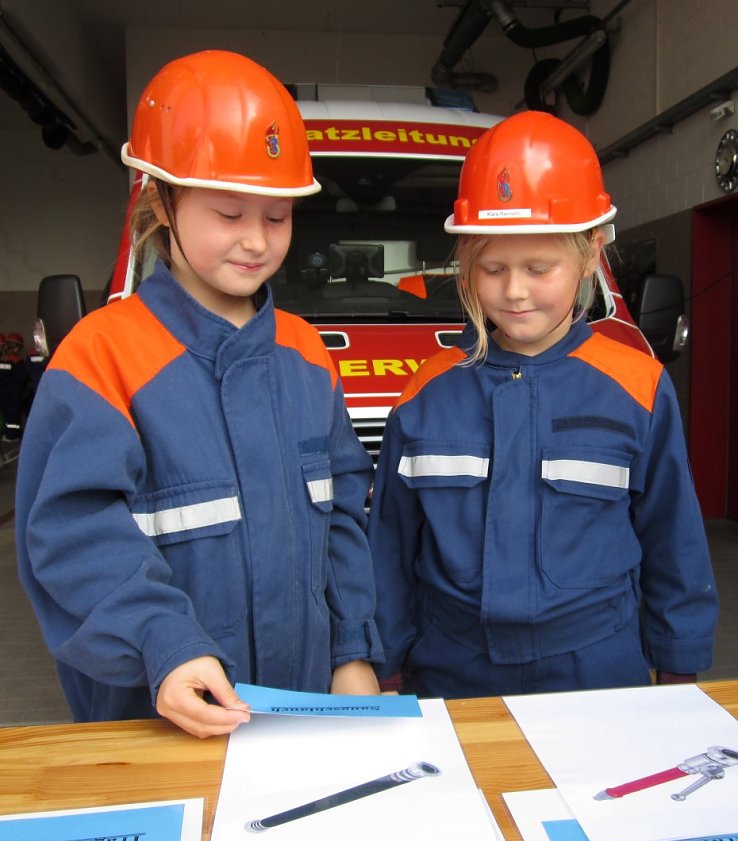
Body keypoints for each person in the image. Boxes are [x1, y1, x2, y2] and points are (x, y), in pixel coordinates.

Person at [15, 50, 383, 738]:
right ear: (159, 201)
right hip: (156, 714)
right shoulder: (103, 357)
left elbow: (341, 522)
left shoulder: (306, 355)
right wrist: (164, 642)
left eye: (277, 217)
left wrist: (351, 648)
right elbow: (70, 537)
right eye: (229, 212)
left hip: (299, 711)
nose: (255, 240)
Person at [368, 111, 718, 699]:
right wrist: (383, 662)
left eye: (539, 267)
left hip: (597, 671)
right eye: (493, 268)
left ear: (590, 253)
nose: (515, 291)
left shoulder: (638, 386)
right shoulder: (427, 394)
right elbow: (390, 547)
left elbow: (672, 539)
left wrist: (678, 668)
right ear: (466, 263)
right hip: (451, 670)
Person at [0, 332, 29, 442]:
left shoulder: (12, 360)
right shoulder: (15, 360)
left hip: (9, 392)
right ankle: (12, 435)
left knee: (10, 415)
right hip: (12, 392)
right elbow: (23, 377)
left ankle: (12, 435)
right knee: (11, 415)